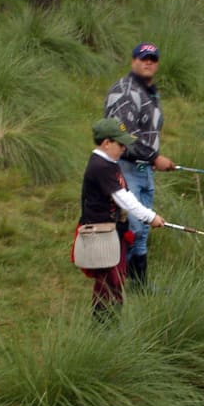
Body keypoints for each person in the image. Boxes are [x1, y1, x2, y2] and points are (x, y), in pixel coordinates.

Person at [76, 117, 166, 316]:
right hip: (100, 234)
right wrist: (150, 217)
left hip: (114, 231)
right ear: (106, 143)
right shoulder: (100, 166)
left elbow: (130, 171)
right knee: (109, 279)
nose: (124, 149)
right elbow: (123, 198)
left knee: (116, 277)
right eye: (120, 144)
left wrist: (147, 166)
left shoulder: (111, 161)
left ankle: (111, 319)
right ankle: (104, 322)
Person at [103, 42, 175, 285]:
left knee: (143, 227)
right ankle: (116, 280)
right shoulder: (124, 91)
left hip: (143, 169)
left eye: (153, 59)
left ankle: (138, 284)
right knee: (132, 225)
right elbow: (125, 136)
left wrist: (150, 159)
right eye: (143, 58)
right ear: (133, 60)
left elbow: (147, 132)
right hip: (125, 168)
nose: (148, 62)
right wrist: (154, 157)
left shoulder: (149, 91)